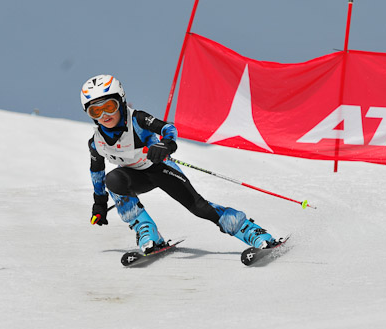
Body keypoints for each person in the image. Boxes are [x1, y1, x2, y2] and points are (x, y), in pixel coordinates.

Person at [81, 74, 279, 254]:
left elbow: (168, 128)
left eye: (109, 107)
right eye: (95, 111)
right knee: (113, 179)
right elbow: (96, 173)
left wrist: (166, 145)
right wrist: (99, 204)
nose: (104, 115)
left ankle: (254, 232)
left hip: (160, 169)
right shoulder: (96, 143)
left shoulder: (137, 119)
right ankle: (147, 232)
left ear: (121, 102)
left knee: (199, 207)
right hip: (135, 177)